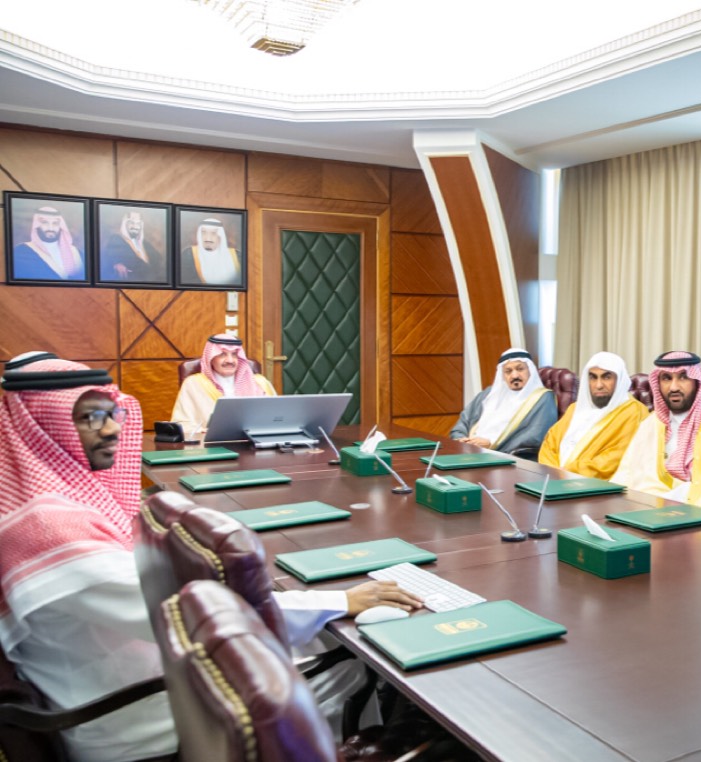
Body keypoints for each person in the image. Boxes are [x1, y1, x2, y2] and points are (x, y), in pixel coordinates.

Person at [0, 354, 422, 762]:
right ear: (41, 428)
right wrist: (341, 600)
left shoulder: (44, 501)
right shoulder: (47, 529)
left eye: (112, 414)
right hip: (132, 713)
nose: (112, 429)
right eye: (91, 419)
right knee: (351, 656)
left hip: (120, 669)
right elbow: (191, 615)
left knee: (322, 631)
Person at [611, 350, 701, 512]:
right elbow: (624, 475)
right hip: (641, 511)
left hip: (692, 515)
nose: (674, 387)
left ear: (696, 382)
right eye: (666, 378)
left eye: (683, 377)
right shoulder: (652, 424)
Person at [538, 352, 647, 478]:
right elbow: (550, 443)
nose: (598, 385)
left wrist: (567, 473)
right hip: (552, 479)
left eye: (606, 377)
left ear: (619, 380)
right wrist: (552, 471)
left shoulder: (634, 412)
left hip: (594, 486)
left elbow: (616, 458)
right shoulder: (575, 409)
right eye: (593, 377)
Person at [449, 348, 556, 453]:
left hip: (510, 457)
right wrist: (462, 440)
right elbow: (463, 422)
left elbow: (535, 436)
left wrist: (491, 444)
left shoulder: (543, 397)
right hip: (471, 451)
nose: (514, 375)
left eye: (520, 369)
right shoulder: (488, 394)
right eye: (508, 371)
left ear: (530, 370)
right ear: (502, 375)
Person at [171, 334, 276, 435]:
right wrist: (204, 431)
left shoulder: (260, 383)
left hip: (255, 443)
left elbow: (276, 418)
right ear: (211, 358)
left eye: (234, 354)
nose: (230, 360)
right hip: (212, 444)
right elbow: (182, 424)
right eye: (222, 354)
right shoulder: (193, 384)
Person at [12, 206, 85, 281]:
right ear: (37, 225)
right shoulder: (21, 252)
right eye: (45, 222)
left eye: (55, 223)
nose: (50, 228)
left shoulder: (77, 253)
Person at [100, 210, 165, 282]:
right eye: (132, 223)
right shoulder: (116, 239)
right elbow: (110, 258)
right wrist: (117, 263)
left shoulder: (144, 243)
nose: (135, 226)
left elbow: (158, 260)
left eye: (138, 223)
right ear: (125, 223)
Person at [180, 218, 241, 286]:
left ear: (220, 236)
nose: (208, 239)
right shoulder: (188, 255)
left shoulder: (236, 256)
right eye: (203, 233)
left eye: (213, 233)